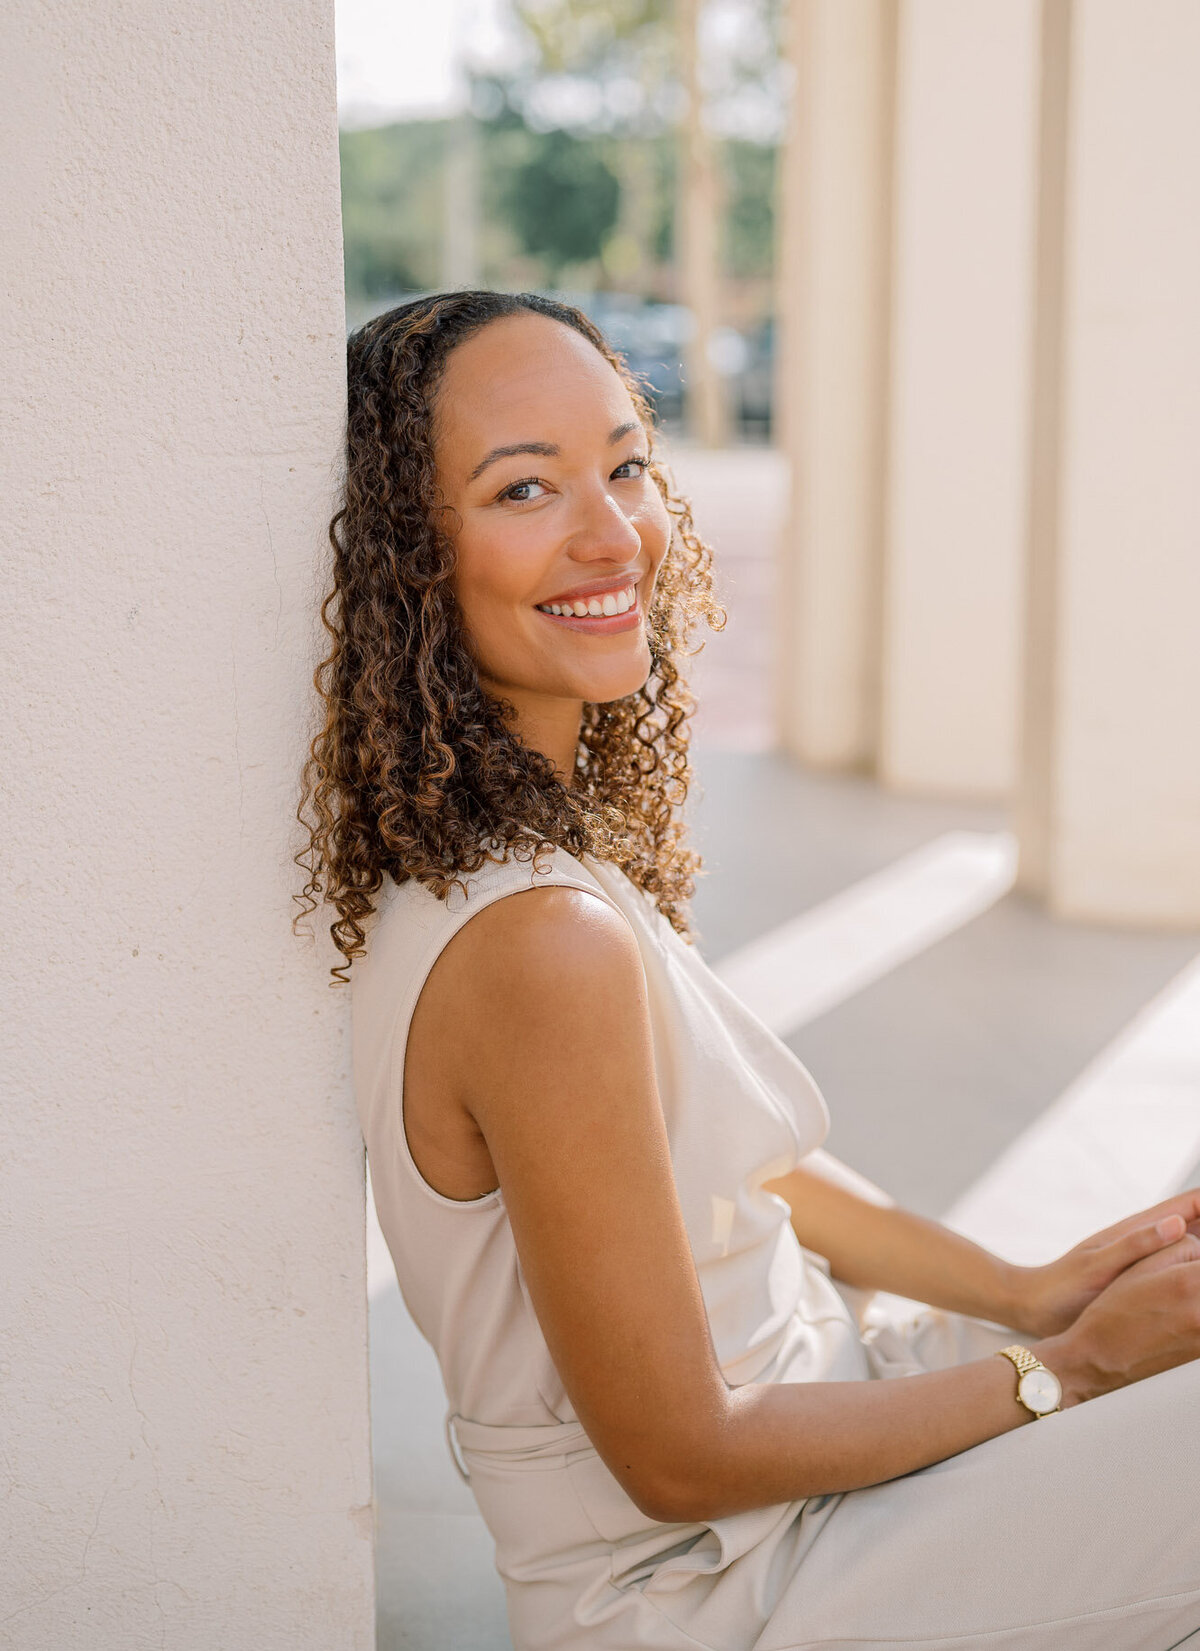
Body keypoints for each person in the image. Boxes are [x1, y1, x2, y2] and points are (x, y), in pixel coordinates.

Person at [297, 289, 1200, 1651]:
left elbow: (735, 1173)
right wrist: (1070, 1370)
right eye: (525, 488)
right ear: (409, 556)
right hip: (731, 1587)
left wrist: (1025, 1290)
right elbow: (681, 1458)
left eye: (623, 464)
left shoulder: (504, 853)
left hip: (825, 1436)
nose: (612, 533)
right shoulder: (538, 944)